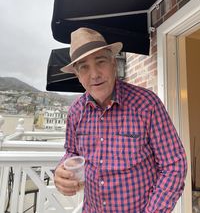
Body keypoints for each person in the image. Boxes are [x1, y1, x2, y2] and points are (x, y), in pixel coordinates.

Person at [54, 27, 187, 213]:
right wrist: (63, 171)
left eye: (100, 62)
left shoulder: (146, 104)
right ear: (77, 74)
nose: (94, 74)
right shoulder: (76, 111)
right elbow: (71, 152)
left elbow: (173, 165)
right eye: (84, 67)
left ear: (113, 63)